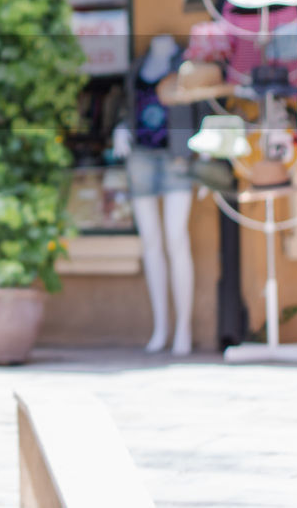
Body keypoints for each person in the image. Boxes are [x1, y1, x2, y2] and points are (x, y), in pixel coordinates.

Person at [112, 34, 197, 356]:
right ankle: (161, 326)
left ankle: (183, 328)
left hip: (177, 157)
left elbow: (199, 107)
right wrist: (121, 127)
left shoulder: (185, 64)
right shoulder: (138, 67)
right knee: (152, 243)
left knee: (177, 239)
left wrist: (198, 151)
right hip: (141, 157)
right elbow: (127, 105)